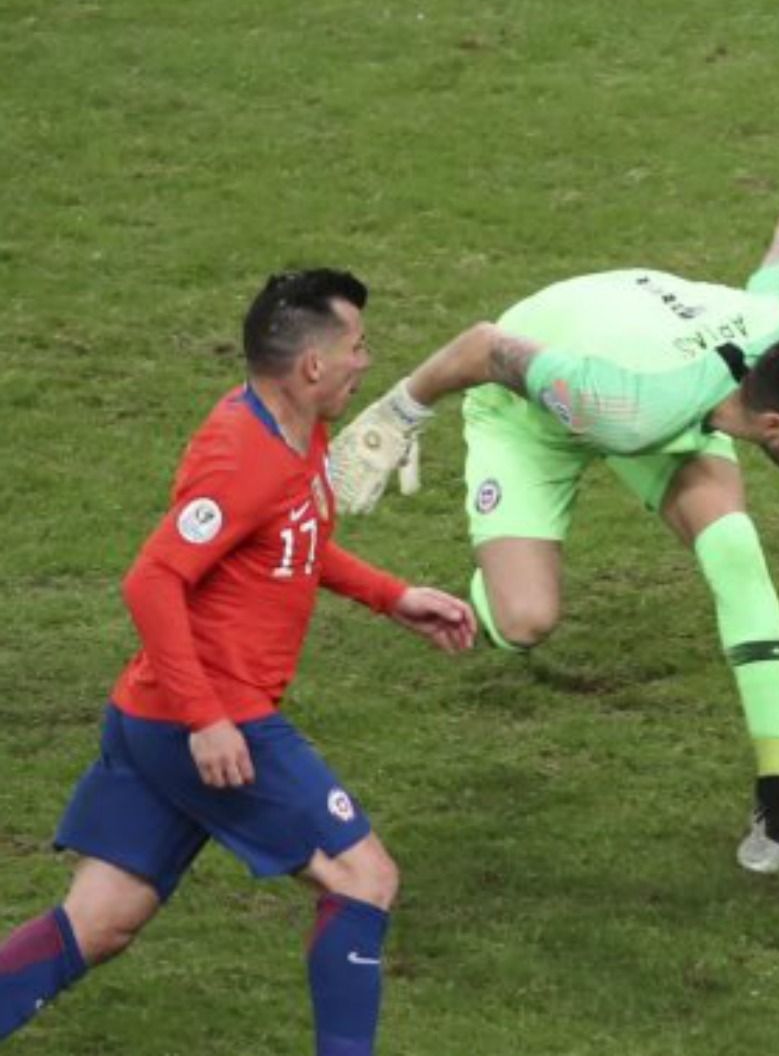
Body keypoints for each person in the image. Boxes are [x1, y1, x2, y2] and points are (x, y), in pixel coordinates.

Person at [326, 173, 779, 875]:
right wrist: (399, 415)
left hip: (649, 369)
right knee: (524, 622)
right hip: (541, 407)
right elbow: (486, 346)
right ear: (772, 424)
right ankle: (493, 576)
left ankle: (778, 793)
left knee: (734, 545)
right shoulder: (627, 408)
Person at [0, 269, 477, 1051]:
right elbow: (152, 579)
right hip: (211, 722)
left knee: (99, 923)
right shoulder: (241, 455)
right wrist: (209, 719)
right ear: (312, 366)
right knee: (365, 879)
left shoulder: (300, 427)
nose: (367, 360)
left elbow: (291, 545)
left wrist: (391, 595)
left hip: (156, 718)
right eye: (357, 346)